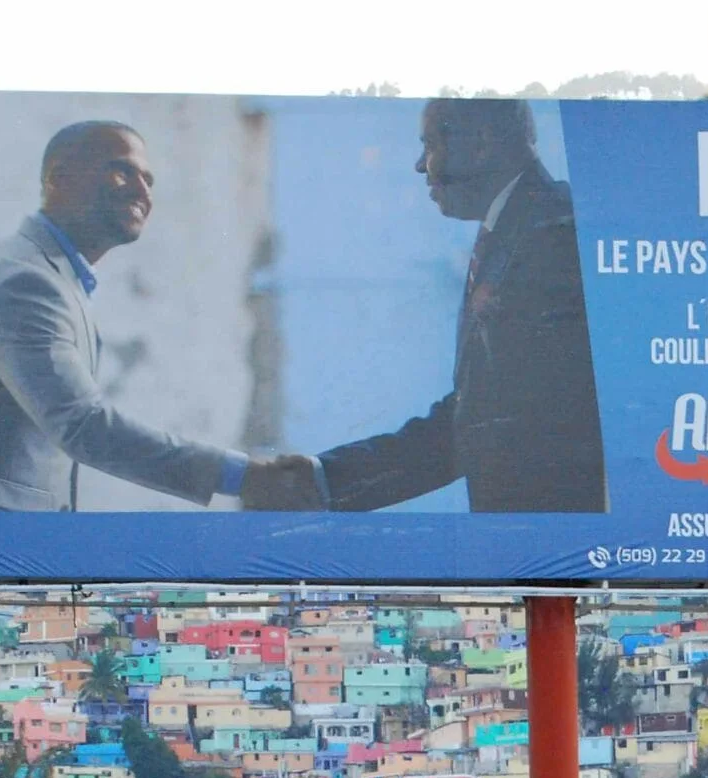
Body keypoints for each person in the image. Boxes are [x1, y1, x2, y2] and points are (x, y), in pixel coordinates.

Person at [255, 99, 605, 516]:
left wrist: (326, 480)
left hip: (546, 536)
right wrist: (326, 477)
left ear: (480, 144)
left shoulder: (551, 235)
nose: (421, 166)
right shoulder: (521, 227)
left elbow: (487, 422)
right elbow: (480, 414)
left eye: (431, 145)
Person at [0, 120, 277, 514]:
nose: (142, 191)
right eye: (122, 171)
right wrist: (243, 477)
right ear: (59, 179)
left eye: (148, 179)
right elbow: (84, 425)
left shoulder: (51, 275)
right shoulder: (25, 283)